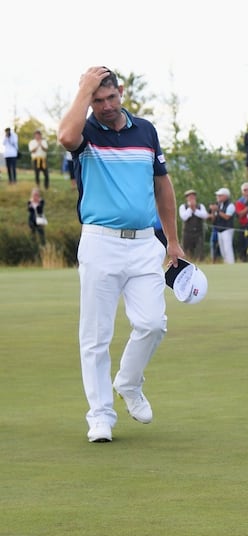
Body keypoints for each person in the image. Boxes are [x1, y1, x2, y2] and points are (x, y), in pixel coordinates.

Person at [57, 66, 185, 443]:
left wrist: (173, 242)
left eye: (111, 97)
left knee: (152, 323)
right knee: (95, 336)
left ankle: (128, 382)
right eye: (98, 100)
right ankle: (100, 415)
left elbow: (163, 187)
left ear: (122, 92)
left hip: (146, 242)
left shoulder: (145, 131)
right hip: (100, 242)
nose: (107, 106)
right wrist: (83, 89)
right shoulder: (86, 131)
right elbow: (65, 136)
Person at [178, 189, 208, 261]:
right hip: (187, 232)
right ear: (187, 198)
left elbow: (205, 215)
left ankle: (200, 262)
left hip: (199, 232)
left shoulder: (200, 206)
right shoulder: (183, 207)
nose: (191, 198)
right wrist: (190, 209)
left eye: (193, 196)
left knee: (199, 250)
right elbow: (184, 217)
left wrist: (195, 209)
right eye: (189, 197)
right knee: (186, 250)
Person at [210, 187, 236, 264]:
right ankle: (226, 264)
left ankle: (231, 263)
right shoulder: (218, 205)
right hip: (219, 230)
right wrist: (213, 211)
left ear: (225, 196)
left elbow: (227, 217)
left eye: (220, 195)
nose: (217, 197)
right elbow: (213, 220)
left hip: (227, 230)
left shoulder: (230, 205)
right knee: (222, 250)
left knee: (228, 249)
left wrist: (217, 210)